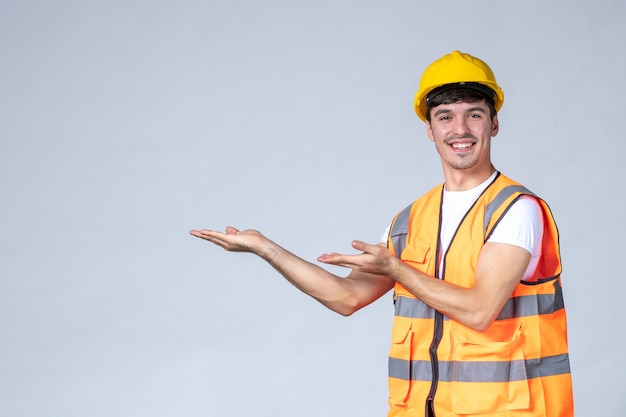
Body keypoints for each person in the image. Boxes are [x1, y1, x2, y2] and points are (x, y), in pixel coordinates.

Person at [190, 50, 573, 417]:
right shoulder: (409, 220)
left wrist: (395, 268)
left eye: (473, 115)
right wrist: (265, 248)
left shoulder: (515, 209)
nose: (460, 129)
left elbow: (479, 310)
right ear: (429, 129)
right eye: (445, 117)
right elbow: (346, 297)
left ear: (493, 123)